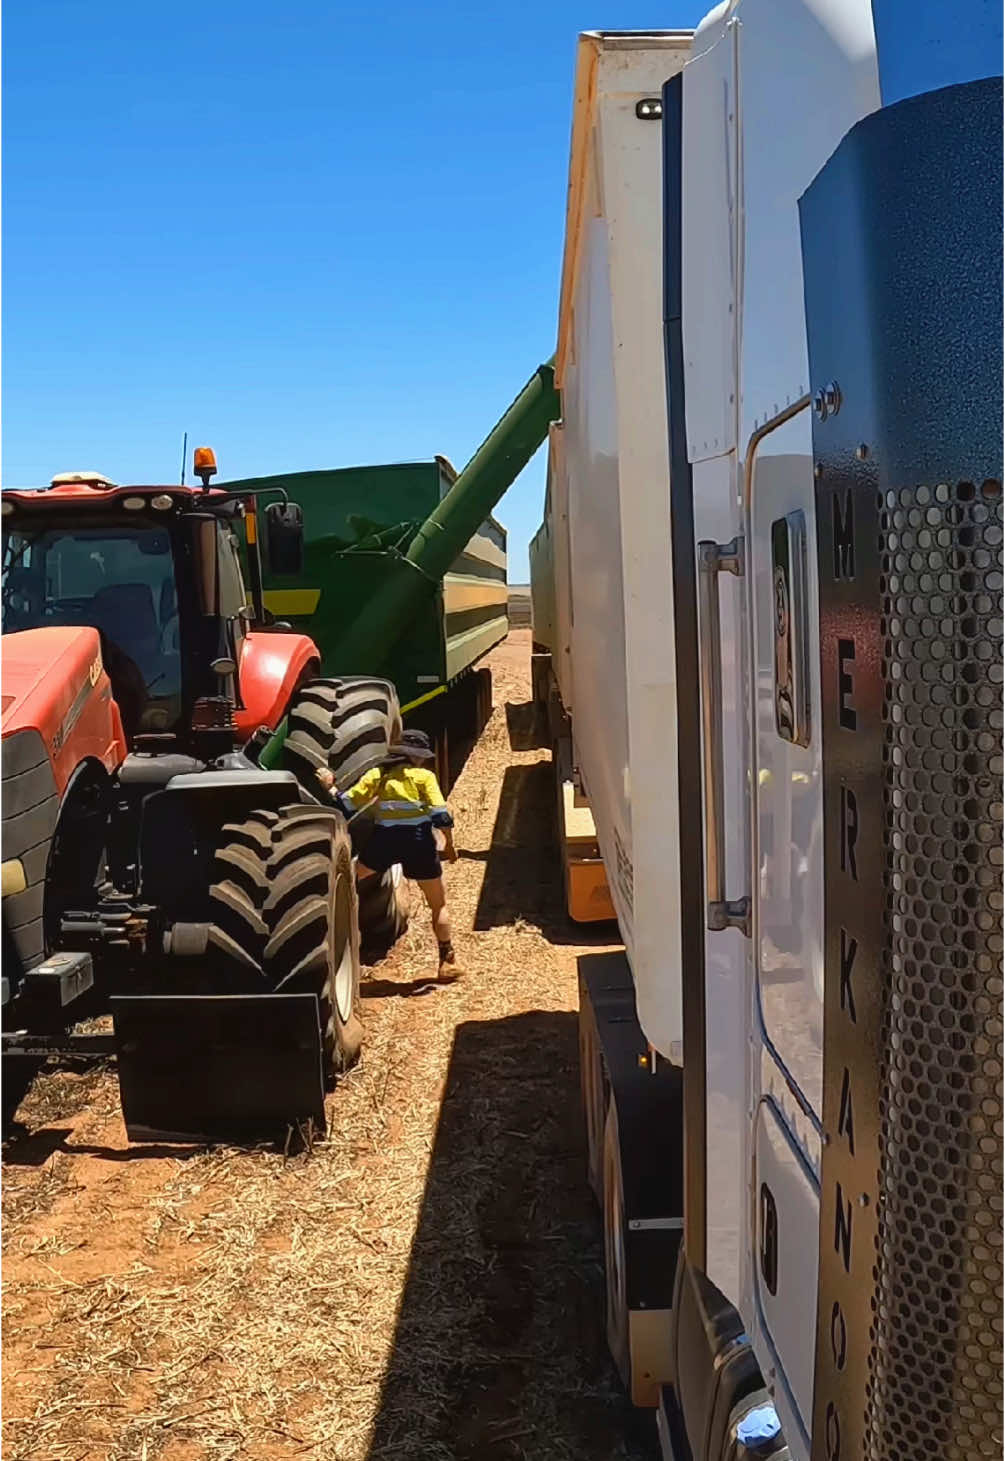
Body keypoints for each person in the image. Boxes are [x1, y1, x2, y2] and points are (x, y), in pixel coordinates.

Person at [316, 729, 463, 982]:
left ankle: (348, 947)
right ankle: (446, 961)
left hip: (385, 841)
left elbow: (345, 805)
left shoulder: (378, 775)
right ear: (417, 757)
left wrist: (330, 787)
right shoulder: (424, 777)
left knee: (349, 883)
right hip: (419, 843)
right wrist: (449, 846)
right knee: (438, 903)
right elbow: (442, 816)